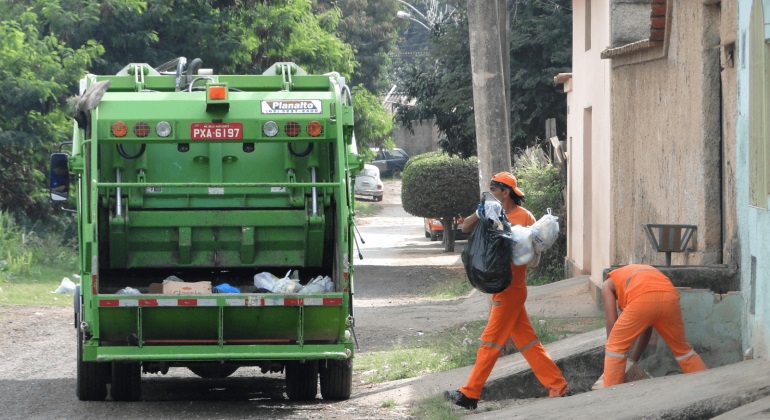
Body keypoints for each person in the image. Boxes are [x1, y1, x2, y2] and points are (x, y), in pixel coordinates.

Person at [444, 172, 569, 410]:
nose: (491, 193)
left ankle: (469, 394)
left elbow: (532, 251)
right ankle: (558, 386)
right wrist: (478, 213)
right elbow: (466, 227)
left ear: (506, 192)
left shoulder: (525, 217)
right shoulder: (490, 212)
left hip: (512, 288)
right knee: (529, 343)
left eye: (494, 189)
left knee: (490, 342)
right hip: (505, 289)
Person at [601, 264, 707, 387]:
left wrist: (611, 353)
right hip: (670, 297)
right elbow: (647, 327)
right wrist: (633, 359)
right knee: (683, 350)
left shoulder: (607, 284)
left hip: (642, 299)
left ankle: (610, 394)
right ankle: (705, 384)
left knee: (614, 348)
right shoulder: (635, 274)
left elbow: (611, 320)